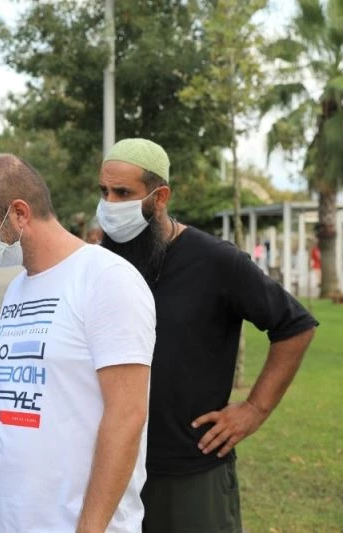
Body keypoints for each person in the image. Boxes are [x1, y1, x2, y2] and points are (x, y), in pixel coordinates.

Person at [96, 138, 318, 533]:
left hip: (190, 473)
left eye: (123, 193)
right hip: (111, 468)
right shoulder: (101, 264)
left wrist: (254, 409)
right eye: (104, 192)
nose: (110, 204)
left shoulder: (216, 261)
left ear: (160, 197)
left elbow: (295, 326)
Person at [0, 154, 156, 533]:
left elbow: (127, 416)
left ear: (19, 213)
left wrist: (91, 527)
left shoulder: (107, 279)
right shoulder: (17, 288)